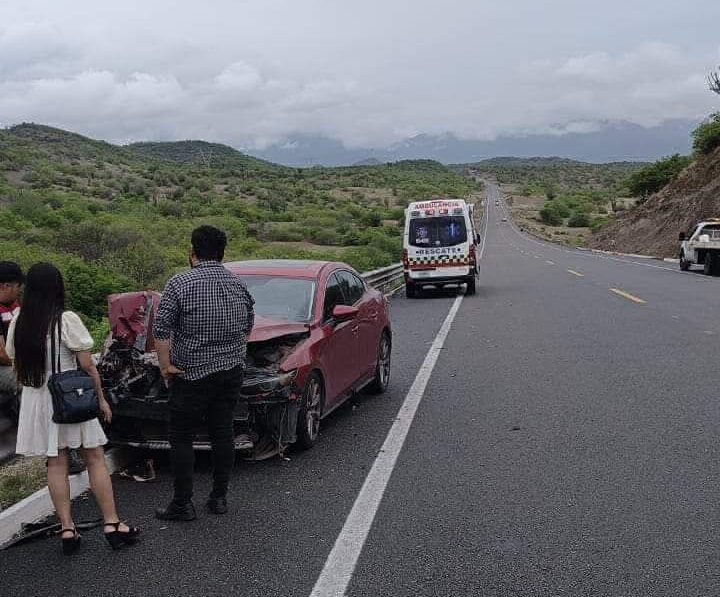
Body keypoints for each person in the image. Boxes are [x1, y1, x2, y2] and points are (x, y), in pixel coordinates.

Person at [6, 263, 139, 554]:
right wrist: (101, 398)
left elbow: (15, 361)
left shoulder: (19, 320)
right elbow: (87, 365)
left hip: (38, 398)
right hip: (69, 395)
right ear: (57, 287)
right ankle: (112, 524)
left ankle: (67, 529)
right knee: (93, 458)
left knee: (55, 463)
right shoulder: (65, 319)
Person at [153, 225, 254, 521]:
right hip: (231, 370)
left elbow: (161, 329)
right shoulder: (238, 284)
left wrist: (165, 366)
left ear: (192, 253)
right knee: (222, 432)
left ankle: (182, 503)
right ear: (222, 254)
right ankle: (219, 497)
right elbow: (248, 325)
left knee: (181, 435)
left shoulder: (179, 283)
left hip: (191, 373)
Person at [0, 262, 23, 415]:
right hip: (3, 366)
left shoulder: (14, 306)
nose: (19, 291)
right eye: (17, 287)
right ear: (5, 286)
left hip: (15, 360)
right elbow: (1, 354)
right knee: (29, 381)